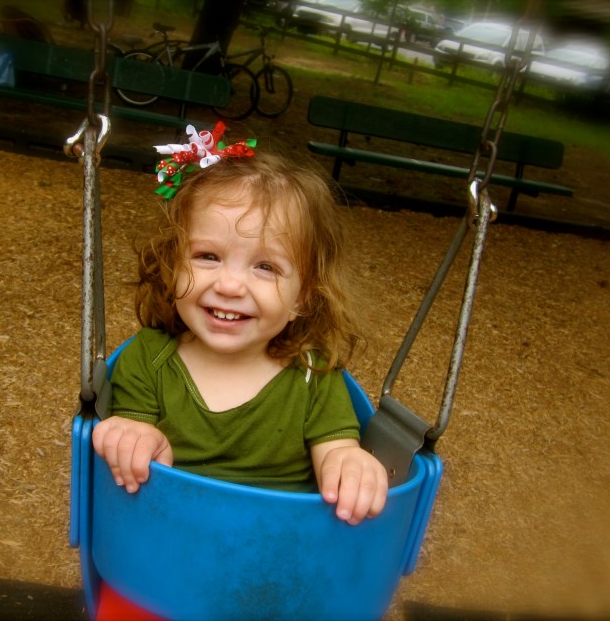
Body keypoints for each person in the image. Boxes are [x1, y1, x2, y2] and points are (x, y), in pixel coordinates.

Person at [92, 124, 388, 525]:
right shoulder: (148, 358)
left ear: (302, 298)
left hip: (275, 547)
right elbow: (131, 430)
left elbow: (337, 454)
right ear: (172, 265)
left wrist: (351, 465)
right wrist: (132, 437)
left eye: (265, 267)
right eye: (208, 256)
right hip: (169, 537)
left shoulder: (313, 376)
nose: (229, 286)